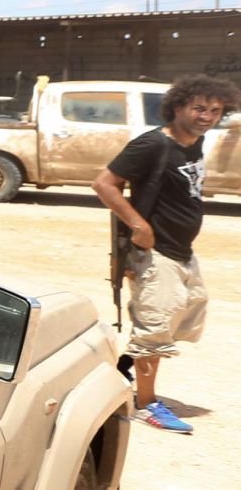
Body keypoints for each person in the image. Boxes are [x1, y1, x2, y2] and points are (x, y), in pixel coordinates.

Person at [91, 73, 238, 434]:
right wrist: (138, 226)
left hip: (181, 251)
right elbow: (103, 184)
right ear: (177, 108)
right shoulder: (152, 144)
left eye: (215, 110)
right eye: (199, 108)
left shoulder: (195, 143)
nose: (206, 116)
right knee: (155, 330)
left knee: (181, 316)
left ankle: (125, 368)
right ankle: (146, 404)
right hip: (156, 253)